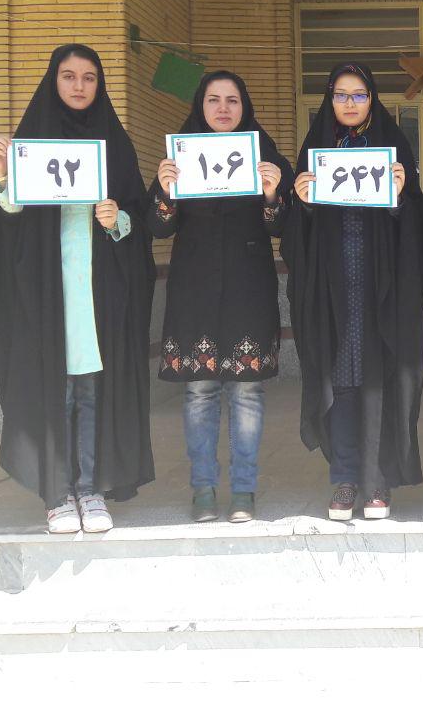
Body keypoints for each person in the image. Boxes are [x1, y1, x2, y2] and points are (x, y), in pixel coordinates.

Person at [0, 43, 155, 534]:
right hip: (46, 292)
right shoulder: (31, 142)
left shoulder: (115, 144)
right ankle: (57, 494)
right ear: (53, 81)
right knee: (56, 390)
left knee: (91, 390)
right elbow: (7, 222)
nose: (79, 86)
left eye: (89, 78)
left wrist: (117, 219)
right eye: (69, 76)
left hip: (98, 295)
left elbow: (138, 219)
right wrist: (2, 177)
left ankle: (90, 488)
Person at [148, 70, 294, 524]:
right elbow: (158, 227)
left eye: (233, 99)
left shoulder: (265, 156)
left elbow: (282, 227)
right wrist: (165, 190)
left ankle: (244, 491)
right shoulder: (180, 157)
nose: (223, 108)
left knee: (247, 392)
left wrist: (272, 194)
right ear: (201, 105)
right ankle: (204, 490)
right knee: (200, 391)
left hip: (248, 286)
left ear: (245, 106)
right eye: (214, 99)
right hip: (194, 286)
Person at [282, 62, 423, 521]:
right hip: (332, 289)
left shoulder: (393, 145)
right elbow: (294, 232)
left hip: (380, 288)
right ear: (329, 99)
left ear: (372, 99)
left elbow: (416, 220)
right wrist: (303, 204)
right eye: (341, 95)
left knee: (378, 382)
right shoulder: (316, 150)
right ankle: (344, 477)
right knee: (341, 382)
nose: (349, 103)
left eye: (359, 95)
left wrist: (400, 198)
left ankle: (376, 480)